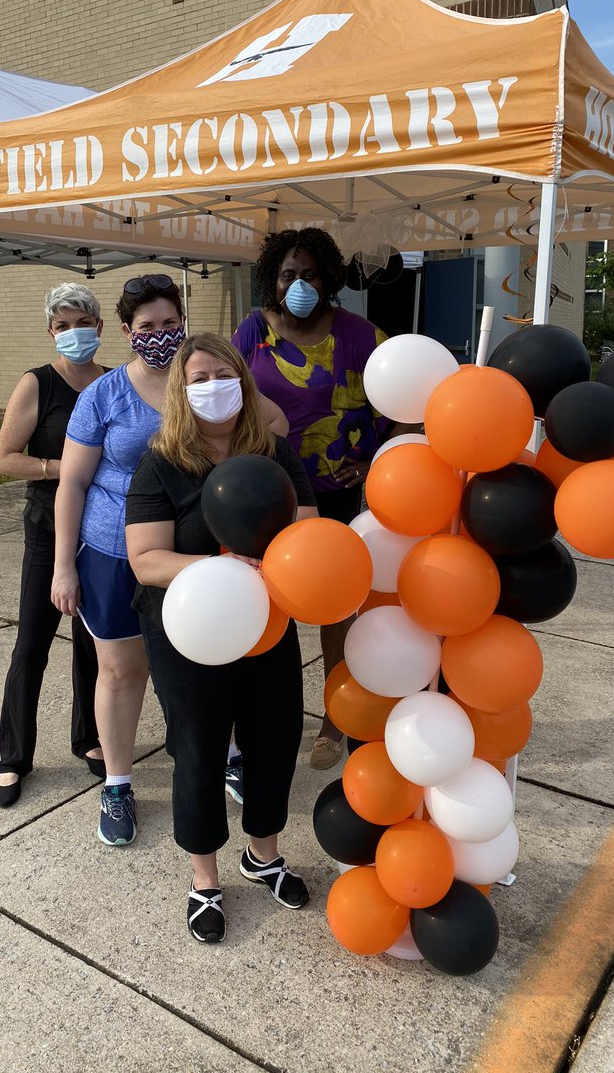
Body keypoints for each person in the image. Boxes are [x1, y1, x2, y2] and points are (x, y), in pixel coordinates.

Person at [51, 275, 288, 848]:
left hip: (210, 558)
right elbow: (73, 482)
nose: (159, 334)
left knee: (214, 662)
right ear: (128, 331)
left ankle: (225, 757)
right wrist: (63, 565)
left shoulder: (202, 379)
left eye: (168, 323)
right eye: (147, 326)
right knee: (123, 672)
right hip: (116, 551)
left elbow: (273, 424)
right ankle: (118, 782)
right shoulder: (103, 395)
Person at [125, 333, 318, 943]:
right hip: (190, 633)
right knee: (200, 749)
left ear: (245, 380)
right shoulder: (160, 462)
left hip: (267, 627)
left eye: (223, 373)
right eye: (199, 376)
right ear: (182, 391)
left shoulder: (277, 456)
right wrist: (227, 569)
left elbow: (307, 533)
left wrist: (271, 570)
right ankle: (204, 880)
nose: (213, 385)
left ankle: (263, 854)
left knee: (275, 738)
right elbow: (146, 559)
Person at [232, 227, 391, 770]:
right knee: (268, 602)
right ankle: (271, 717)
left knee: (335, 609)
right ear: (271, 280)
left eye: (308, 274)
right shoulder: (252, 331)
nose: (297, 284)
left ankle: (335, 719)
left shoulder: (362, 335)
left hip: (336, 494)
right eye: (286, 275)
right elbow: (227, 398)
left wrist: (372, 462)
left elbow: (398, 409)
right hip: (268, 489)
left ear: (327, 278)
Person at [0, 283, 106, 808]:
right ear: (50, 332)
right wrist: (66, 468)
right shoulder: (37, 384)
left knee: (94, 644)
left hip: (100, 531)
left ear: (100, 327)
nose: (73, 332)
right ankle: (14, 758)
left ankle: (91, 738)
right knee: (32, 645)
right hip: (47, 528)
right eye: (62, 325)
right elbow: (4, 458)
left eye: (82, 322)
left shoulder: (112, 383)